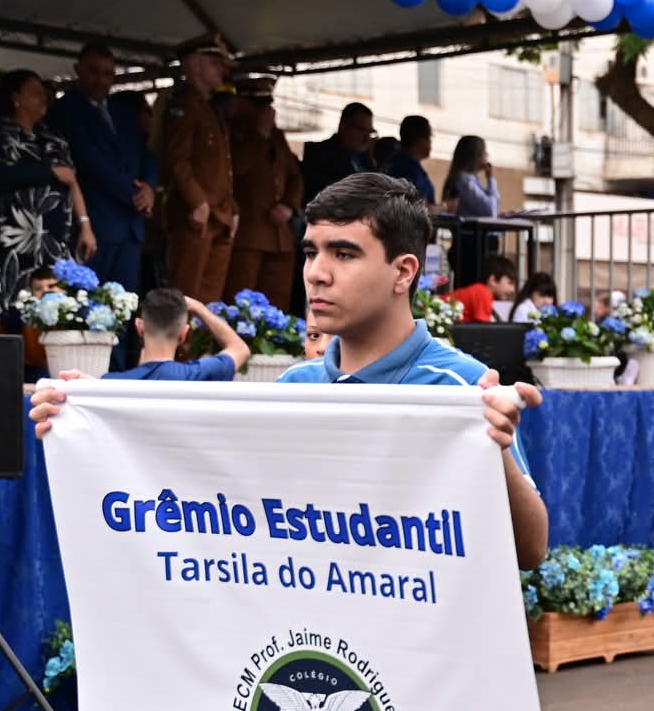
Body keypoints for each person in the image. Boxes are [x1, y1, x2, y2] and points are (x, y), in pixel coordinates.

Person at [35, 172, 548, 569]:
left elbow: (531, 550)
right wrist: (94, 414)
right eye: (311, 252)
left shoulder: (461, 389)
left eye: (343, 253)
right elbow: (200, 490)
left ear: (404, 272)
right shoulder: (290, 389)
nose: (316, 273)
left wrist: (496, 450)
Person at [0, 70, 91, 327]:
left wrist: (85, 225)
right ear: (16, 97)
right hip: (13, 238)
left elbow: (71, 180)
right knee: (12, 304)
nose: (43, 98)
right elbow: (0, 174)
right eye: (35, 92)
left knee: (59, 306)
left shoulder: (54, 137)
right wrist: (49, 172)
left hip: (54, 236)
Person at [50, 42, 157, 293]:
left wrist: (150, 187)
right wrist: (135, 195)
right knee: (93, 305)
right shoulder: (65, 110)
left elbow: (147, 153)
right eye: (93, 71)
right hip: (96, 224)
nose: (101, 80)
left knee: (126, 304)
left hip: (130, 226)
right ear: (78, 70)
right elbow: (88, 159)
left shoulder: (124, 111)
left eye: (107, 73)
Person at [157, 33, 237, 304]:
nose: (222, 69)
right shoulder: (183, 103)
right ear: (194, 65)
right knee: (186, 296)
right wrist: (197, 202)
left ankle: (202, 348)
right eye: (215, 62)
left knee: (209, 302)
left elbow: (221, 169)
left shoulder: (209, 107)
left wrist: (231, 208)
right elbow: (177, 160)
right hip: (195, 216)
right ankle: (181, 348)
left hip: (218, 215)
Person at [225, 76, 303, 305]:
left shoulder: (276, 136)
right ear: (241, 103)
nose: (267, 110)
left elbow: (294, 176)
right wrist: (259, 134)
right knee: (241, 300)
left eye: (268, 105)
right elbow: (238, 168)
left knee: (277, 302)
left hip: (280, 235)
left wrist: (289, 205)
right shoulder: (232, 132)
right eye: (259, 105)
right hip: (248, 234)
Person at [104, 288, 251, 381]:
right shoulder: (198, 375)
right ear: (184, 333)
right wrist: (199, 308)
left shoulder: (112, 384)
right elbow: (240, 349)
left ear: (139, 327)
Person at [299, 102, 377, 203]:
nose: (367, 138)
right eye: (362, 130)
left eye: (370, 132)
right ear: (343, 126)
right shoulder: (320, 155)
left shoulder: (366, 158)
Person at [382, 114, 437, 204]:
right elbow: (417, 207)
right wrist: (445, 206)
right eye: (429, 137)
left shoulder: (399, 162)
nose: (430, 142)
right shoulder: (406, 168)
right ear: (419, 139)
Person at [443, 136, 499, 218]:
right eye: (484, 151)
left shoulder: (471, 179)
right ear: (476, 155)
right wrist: (491, 180)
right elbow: (490, 210)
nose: (487, 154)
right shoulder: (464, 181)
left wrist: (490, 179)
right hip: (472, 231)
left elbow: (492, 205)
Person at [447, 254, 512, 324]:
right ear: (493, 280)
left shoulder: (480, 291)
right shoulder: (483, 293)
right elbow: (482, 330)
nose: (512, 289)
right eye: (510, 283)